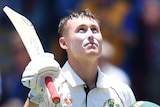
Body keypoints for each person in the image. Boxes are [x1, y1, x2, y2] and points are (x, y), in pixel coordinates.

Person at [22, 9, 136, 107]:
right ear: (63, 43)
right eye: (81, 30)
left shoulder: (121, 91)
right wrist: (35, 95)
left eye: (95, 29)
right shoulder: (49, 89)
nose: (91, 35)